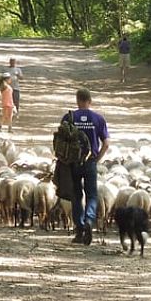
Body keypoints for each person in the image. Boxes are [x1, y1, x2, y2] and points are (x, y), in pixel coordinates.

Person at [63, 88, 110, 245]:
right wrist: (97, 159)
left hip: (73, 163)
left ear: (77, 101)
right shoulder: (98, 119)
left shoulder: (69, 117)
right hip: (90, 161)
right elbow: (107, 143)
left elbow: (60, 142)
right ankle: (89, 220)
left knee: (76, 195)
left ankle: (80, 229)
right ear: (90, 101)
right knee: (92, 195)